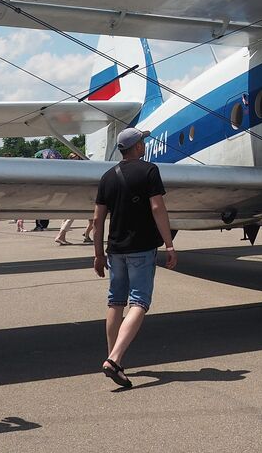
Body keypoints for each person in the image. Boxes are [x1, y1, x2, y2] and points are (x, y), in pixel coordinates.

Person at [91, 126, 176, 389]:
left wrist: (97, 254)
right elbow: (157, 208)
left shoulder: (107, 177)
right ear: (137, 147)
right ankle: (114, 360)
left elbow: (97, 219)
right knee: (139, 302)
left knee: (115, 302)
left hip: (115, 250)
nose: (144, 145)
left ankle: (113, 356)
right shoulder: (149, 170)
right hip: (141, 248)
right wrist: (170, 245)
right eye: (142, 142)